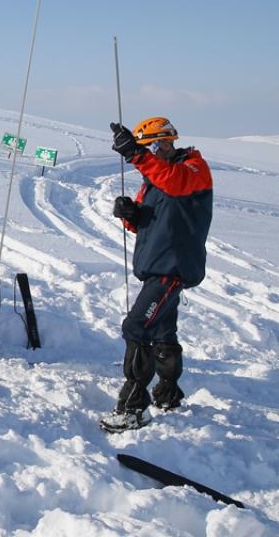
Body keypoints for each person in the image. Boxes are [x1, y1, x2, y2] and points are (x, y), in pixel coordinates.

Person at [100, 117, 213, 432]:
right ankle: (168, 394)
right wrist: (131, 215)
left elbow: (174, 183)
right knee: (163, 332)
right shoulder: (156, 175)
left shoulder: (193, 169)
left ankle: (133, 408)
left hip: (173, 267)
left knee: (136, 327)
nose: (148, 154)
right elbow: (151, 219)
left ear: (165, 142)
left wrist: (135, 155)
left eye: (149, 148)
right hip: (157, 265)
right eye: (144, 149)